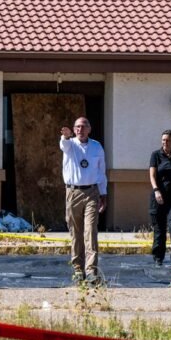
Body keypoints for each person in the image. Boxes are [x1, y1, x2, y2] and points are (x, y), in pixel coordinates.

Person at [60, 117, 108, 286]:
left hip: (92, 192)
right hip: (73, 192)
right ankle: (78, 269)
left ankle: (91, 270)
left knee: (91, 230)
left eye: (83, 126)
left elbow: (101, 171)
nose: (80, 129)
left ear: (89, 129)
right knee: (76, 232)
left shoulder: (96, 146)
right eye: (77, 127)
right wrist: (66, 136)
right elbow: (64, 145)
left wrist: (103, 193)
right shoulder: (70, 144)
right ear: (74, 130)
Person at [149, 129, 171, 269]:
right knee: (159, 228)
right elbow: (152, 175)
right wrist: (156, 190)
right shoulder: (156, 155)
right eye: (163, 140)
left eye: (168, 140)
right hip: (158, 197)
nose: (165, 142)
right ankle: (158, 257)